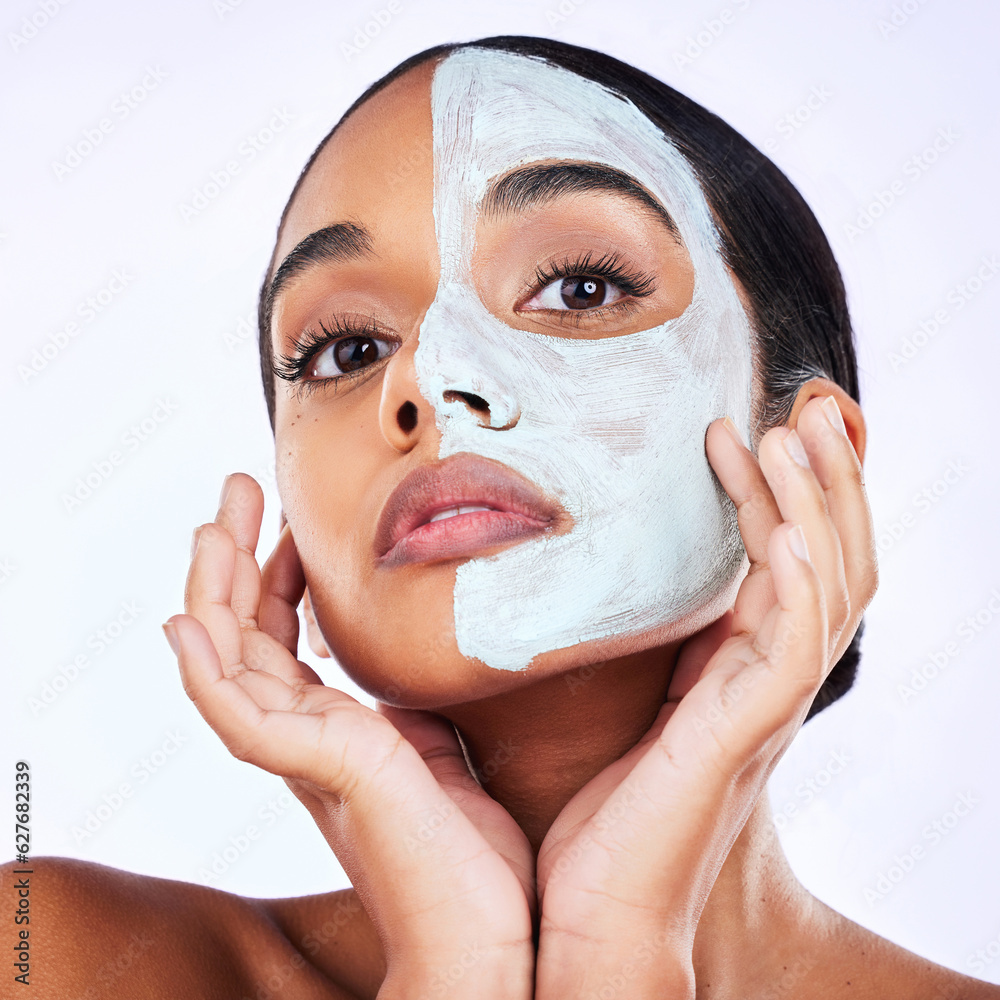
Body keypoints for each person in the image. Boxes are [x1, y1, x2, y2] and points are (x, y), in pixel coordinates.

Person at [12, 35, 998, 999]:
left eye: (579, 287)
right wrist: (455, 971)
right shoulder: (51, 958)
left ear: (807, 459)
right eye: (346, 348)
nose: (429, 376)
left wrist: (617, 949)